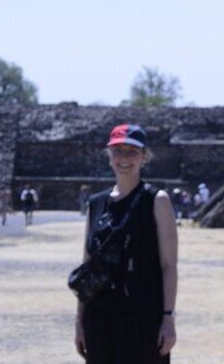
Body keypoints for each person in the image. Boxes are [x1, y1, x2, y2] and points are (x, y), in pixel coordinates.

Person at [74, 124, 178, 363]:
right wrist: (79, 321)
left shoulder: (156, 201)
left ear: (144, 157)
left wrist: (168, 317)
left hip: (142, 315)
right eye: (118, 151)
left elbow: (168, 266)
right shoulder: (96, 204)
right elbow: (87, 268)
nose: (124, 158)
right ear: (109, 156)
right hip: (99, 315)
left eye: (132, 152)